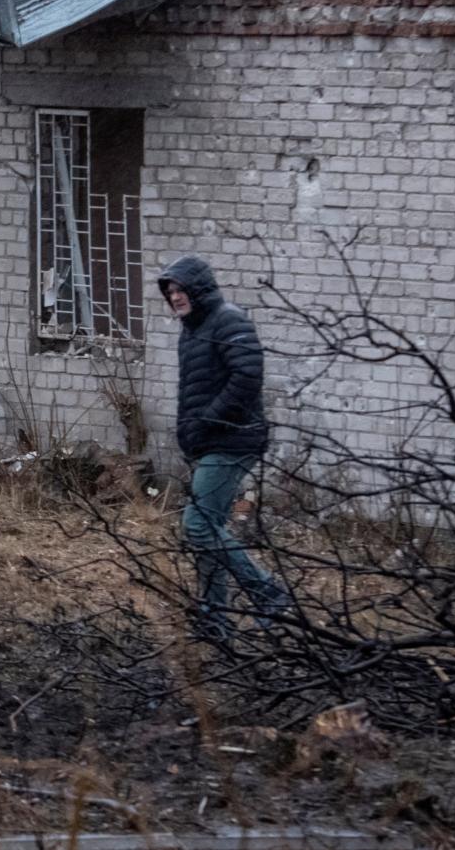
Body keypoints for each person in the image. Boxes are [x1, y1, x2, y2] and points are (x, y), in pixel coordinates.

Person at [155, 255, 288, 639]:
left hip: (234, 439)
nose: (176, 297)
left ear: (200, 289)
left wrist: (208, 421)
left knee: (198, 526)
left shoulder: (228, 320)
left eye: (182, 290)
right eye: (171, 292)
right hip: (211, 442)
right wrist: (191, 434)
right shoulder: (192, 330)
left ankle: (268, 593)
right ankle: (215, 618)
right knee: (208, 527)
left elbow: (248, 375)